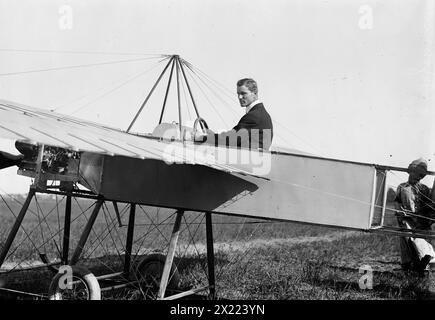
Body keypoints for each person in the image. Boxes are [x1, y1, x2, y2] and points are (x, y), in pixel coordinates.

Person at [195, 78, 273, 150]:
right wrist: (212, 136)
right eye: (238, 93)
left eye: (243, 93)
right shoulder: (260, 113)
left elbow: (231, 139)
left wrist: (201, 137)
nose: (239, 97)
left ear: (254, 93)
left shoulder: (254, 116)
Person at [395, 158, 435, 275]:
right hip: (406, 220)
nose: (418, 178)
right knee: (408, 242)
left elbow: (429, 206)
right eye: (416, 174)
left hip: (421, 221)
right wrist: (400, 212)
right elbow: (397, 202)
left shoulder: (424, 189)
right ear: (410, 172)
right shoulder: (402, 187)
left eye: (421, 176)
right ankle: (408, 266)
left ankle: (425, 263)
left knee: (421, 241)